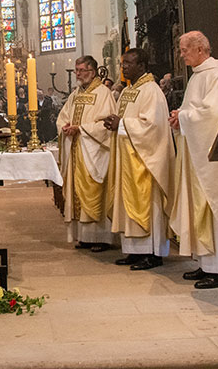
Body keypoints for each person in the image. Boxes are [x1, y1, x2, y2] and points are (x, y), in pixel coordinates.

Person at [169, 31, 218, 289]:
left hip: (211, 159)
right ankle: (205, 263)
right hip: (197, 155)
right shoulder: (200, 75)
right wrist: (181, 117)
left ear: (200, 49)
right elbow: (197, 111)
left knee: (211, 206)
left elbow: (214, 115)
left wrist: (184, 116)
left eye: (185, 49)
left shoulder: (215, 76)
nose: (182, 54)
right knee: (199, 207)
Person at [104, 48, 175, 270]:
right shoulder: (127, 91)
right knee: (127, 203)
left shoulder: (151, 90)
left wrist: (121, 124)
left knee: (147, 203)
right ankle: (134, 251)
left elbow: (152, 125)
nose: (123, 67)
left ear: (142, 66)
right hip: (127, 157)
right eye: (123, 63)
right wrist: (113, 122)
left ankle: (152, 253)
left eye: (128, 64)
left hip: (145, 160)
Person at [56, 55, 116, 252]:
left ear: (92, 71)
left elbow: (106, 123)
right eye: (76, 70)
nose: (78, 74)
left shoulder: (103, 93)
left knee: (93, 189)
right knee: (77, 192)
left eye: (81, 70)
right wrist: (65, 127)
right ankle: (85, 236)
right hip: (76, 149)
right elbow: (63, 116)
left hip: (94, 150)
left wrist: (81, 129)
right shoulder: (76, 94)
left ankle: (100, 237)